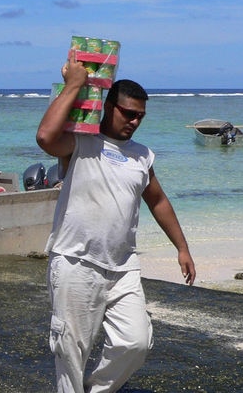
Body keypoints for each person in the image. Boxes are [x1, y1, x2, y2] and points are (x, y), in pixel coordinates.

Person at [35, 52, 196, 393]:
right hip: (75, 261)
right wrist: (75, 85)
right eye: (129, 113)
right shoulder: (80, 141)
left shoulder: (141, 155)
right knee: (70, 352)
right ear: (109, 107)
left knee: (136, 342)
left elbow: (157, 199)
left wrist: (182, 247)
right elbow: (46, 138)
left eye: (141, 116)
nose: (135, 121)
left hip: (123, 266)